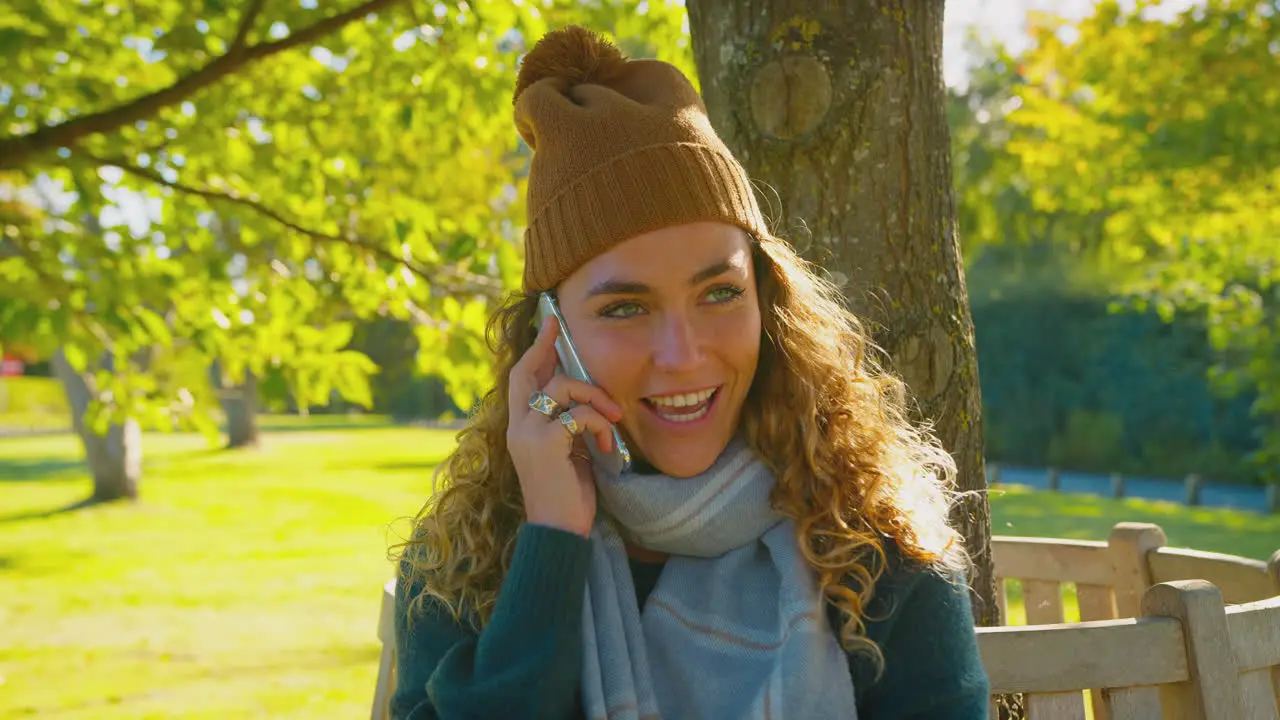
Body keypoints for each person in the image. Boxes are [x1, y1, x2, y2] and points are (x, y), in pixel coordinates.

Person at [391, 25, 990, 720]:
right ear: (550, 338)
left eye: (719, 293)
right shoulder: (466, 565)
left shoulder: (881, 554)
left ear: (767, 302)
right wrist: (552, 537)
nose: (683, 354)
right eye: (624, 308)